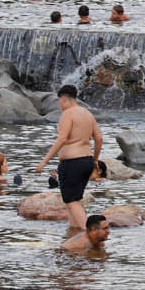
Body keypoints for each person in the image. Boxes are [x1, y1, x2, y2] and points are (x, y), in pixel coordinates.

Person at [34, 84, 103, 230]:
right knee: (74, 200)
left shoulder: (68, 113)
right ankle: (74, 233)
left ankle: (90, 234)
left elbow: (62, 139)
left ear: (64, 99)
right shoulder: (88, 114)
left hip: (72, 163)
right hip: (87, 161)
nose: (60, 105)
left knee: (71, 201)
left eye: (60, 101)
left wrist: (44, 162)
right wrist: (95, 159)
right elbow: (99, 138)